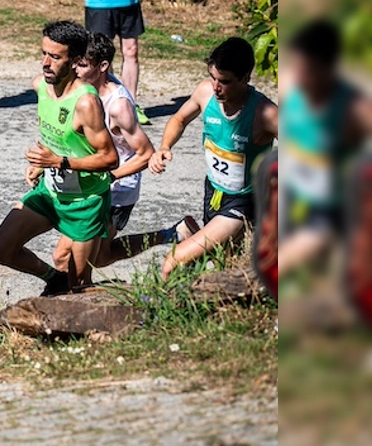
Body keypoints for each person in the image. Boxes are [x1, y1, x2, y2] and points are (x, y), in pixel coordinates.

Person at [0, 21, 118, 296]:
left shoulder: (85, 103)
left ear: (76, 61)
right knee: (0, 249)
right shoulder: (40, 87)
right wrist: (40, 163)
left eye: (55, 57)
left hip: (85, 202)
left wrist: (59, 162)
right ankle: (52, 277)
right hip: (51, 192)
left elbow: (110, 159)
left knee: (79, 284)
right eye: (43, 53)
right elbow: (57, 138)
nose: (46, 63)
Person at [46, 32, 190, 276]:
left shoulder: (117, 106)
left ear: (102, 66)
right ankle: (173, 233)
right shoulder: (83, 90)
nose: (75, 70)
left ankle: (76, 303)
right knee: (100, 258)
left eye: (82, 65)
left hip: (116, 191)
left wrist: (110, 177)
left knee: (64, 257)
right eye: (75, 62)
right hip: (93, 183)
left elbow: (145, 154)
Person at [149, 37, 278, 279]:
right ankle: (188, 231)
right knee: (224, 268)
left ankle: (159, 315)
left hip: (243, 203)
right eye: (213, 77)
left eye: (225, 82)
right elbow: (179, 119)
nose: (216, 87)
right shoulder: (205, 93)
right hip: (213, 192)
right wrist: (164, 146)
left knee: (172, 263)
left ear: (245, 77)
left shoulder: (265, 113)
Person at [267, 22, 372, 289]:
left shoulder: (354, 108)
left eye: (308, 70)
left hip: (331, 211)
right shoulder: (291, 89)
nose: (300, 76)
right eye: (296, 66)